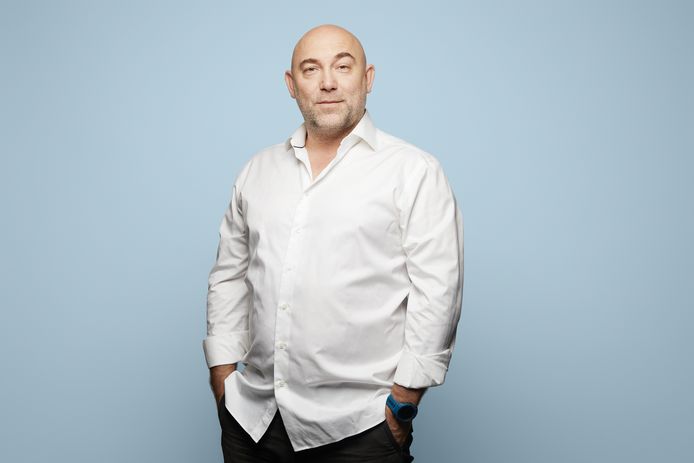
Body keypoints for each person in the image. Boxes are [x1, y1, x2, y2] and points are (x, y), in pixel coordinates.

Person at [203, 24, 464, 463]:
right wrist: (222, 377)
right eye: (311, 69)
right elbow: (229, 275)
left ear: (368, 78)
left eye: (343, 66)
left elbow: (438, 291)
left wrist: (404, 402)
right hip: (252, 423)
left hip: (361, 428)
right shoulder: (257, 171)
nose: (327, 82)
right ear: (292, 85)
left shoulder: (413, 171)